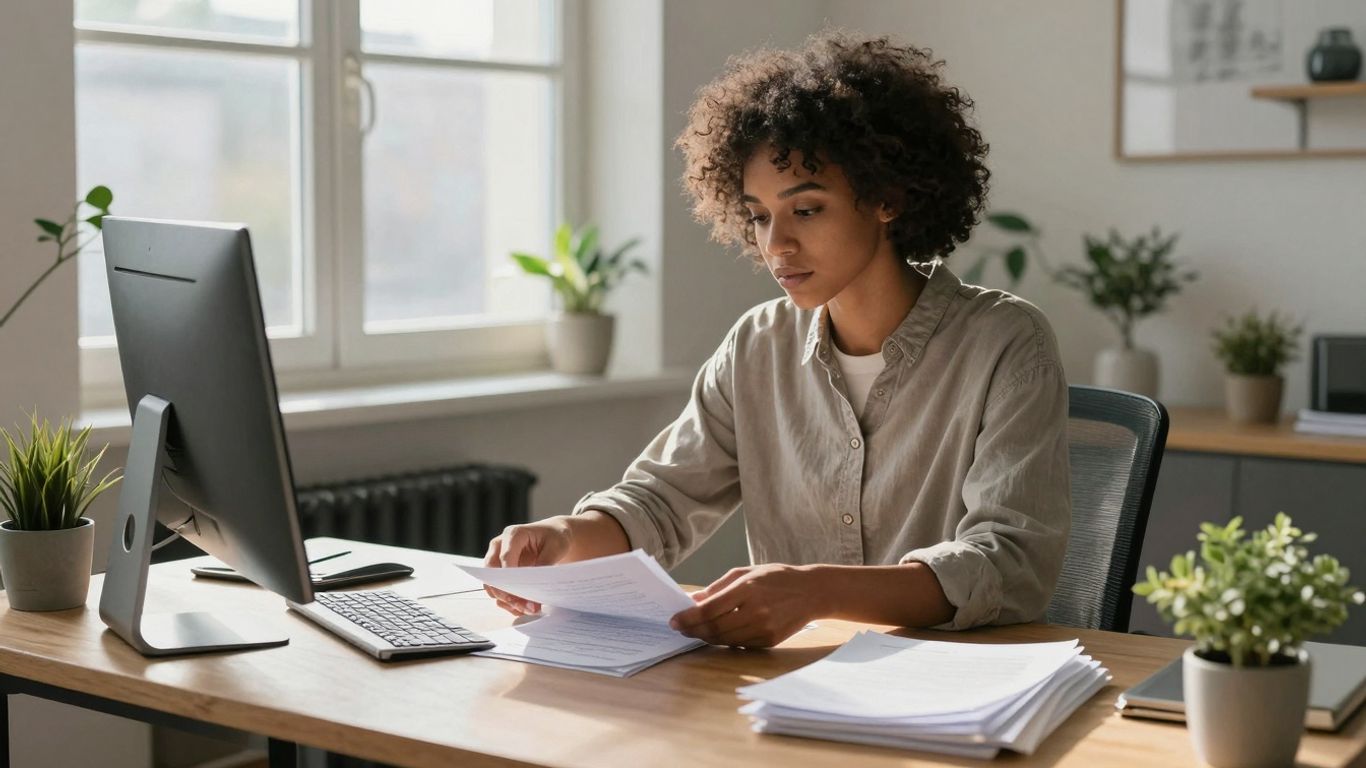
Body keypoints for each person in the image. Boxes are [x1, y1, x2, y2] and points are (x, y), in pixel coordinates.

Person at [483, 30, 1070, 649]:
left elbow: (1008, 565)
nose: (776, 245)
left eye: (807, 209)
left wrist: (818, 591)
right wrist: (566, 535)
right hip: (790, 682)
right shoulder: (755, 346)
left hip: (956, 682)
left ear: (887, 199)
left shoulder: (1006, 342)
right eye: (760, 215)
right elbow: (661, 500)